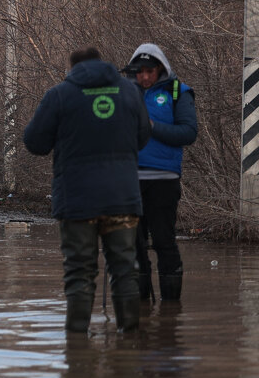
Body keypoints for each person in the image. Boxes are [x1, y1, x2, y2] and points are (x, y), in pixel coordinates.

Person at [23, 47, 151, 332]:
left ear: (73, 68)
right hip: (122, 197)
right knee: (125, 270)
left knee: (79, 273)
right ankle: (128, 346)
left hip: (77, 201)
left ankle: (77, 351)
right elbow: (143, 138)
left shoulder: (59, 95)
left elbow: (34, 143)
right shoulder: (130, 92)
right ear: (101, 62)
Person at [125, 43, 198, 302]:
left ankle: (170, 311)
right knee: (134, 247)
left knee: (164, 242)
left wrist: (151, 125)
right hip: (129, 182)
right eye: (140, 71)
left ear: (160, 69)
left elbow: (189, 133)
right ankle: (141, 310)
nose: (145, 77)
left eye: (150, 71)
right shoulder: (123, 94)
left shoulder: (178, 92)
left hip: (164, 180)